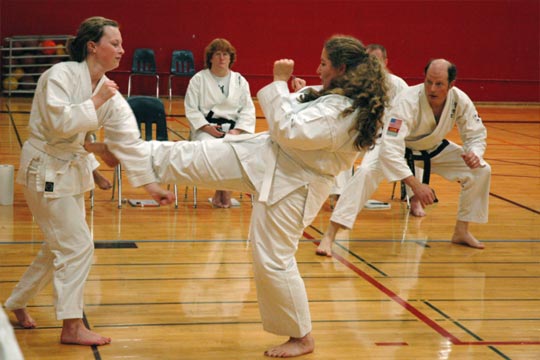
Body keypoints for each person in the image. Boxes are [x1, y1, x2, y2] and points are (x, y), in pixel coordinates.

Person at [140, 35, 388, 357]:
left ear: (342, 68)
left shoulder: (347, 110)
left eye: (324, 63)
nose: (318, 68)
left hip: (296, 184)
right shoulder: (339, 97)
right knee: (194, 155)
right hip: (267, 157)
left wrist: (280, 83)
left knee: (272, 258)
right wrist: (295, 92)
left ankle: (302, 337)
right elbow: (299, 117)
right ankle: (131, 153)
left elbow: (291, 129)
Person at [3, 16, 174, 347]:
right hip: (44, 171)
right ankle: (71, 325)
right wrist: (96, 102)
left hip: (68, 172)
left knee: (57, 247)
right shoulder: (60, 76)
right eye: (115, 43)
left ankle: (16, 303)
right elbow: (59, 125)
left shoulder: (106, 87)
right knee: (77, 246)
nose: (122, 50)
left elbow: (127, 140)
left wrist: (150, 185)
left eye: (122, 44)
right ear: (92, 46)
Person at [379, 58, 490, 249]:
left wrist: (474, 153)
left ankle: (461, 231)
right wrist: (416, 185)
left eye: (439, 84)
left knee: (481, 170)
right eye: (429, 82)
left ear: (451, 85)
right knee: (365, 174)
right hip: (400, 149)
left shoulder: (459, 99)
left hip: (433, 148)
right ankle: (332, 232)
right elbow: (390, 146)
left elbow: (476, 134)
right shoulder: (407, 99)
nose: (432, 89)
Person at [316, 43, 409, 256]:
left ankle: (330, 234)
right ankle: (337, 195)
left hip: (390, 136)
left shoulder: (398, 85)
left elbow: (401, 118)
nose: (372, 65)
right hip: (361, 131)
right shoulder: (357, 82)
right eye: (368, 60)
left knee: (366, 171)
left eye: (376, 60)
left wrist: (390, 138)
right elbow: (333, 96)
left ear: (385, 62)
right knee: (335, 149)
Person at [184, 38, 256, 208]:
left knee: (244, 148)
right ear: (210, 58)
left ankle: (223, 191)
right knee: (212, 149)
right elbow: (191, 108)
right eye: (217, 54)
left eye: (225, 54)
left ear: (231, 58)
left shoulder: (239, 80)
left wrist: (238, 130)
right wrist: (207, 128)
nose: (222, 58)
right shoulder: (198, 79)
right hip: (206, 128)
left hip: (233, 129)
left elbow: (248, 109)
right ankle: (223, 191)